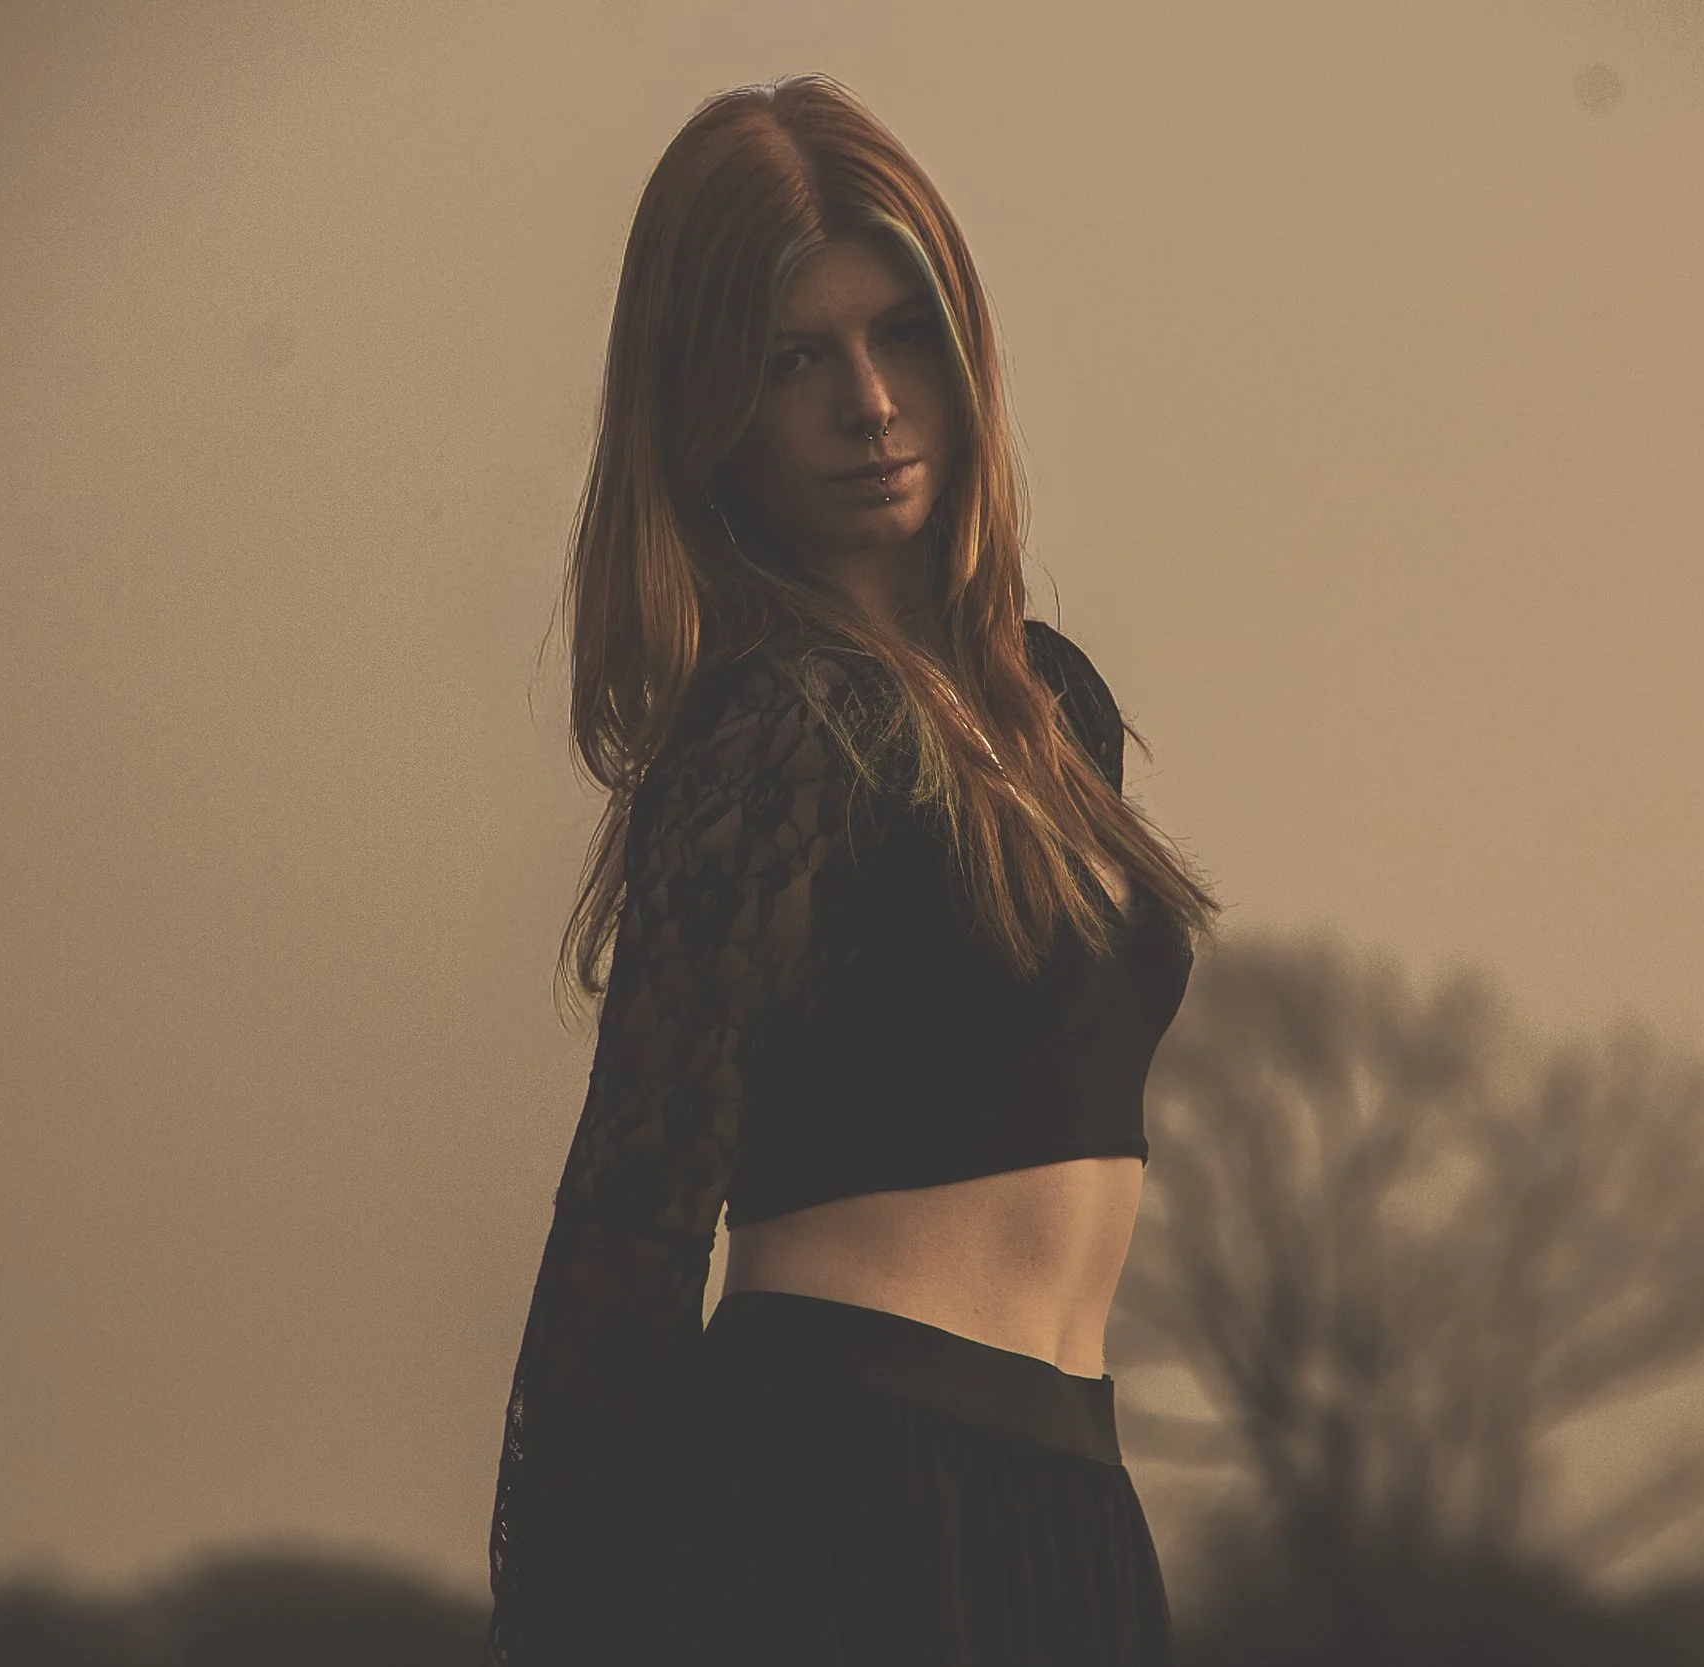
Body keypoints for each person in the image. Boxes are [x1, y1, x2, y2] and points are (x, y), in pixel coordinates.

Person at [489, 73, 1223, 1665]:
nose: (870, 403)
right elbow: (626, 1232)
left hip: (1066, 1498)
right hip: (840, 1502)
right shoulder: (776, 736)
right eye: (792, 358)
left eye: (900, 335)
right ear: (710, 404)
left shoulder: (1050, 700)